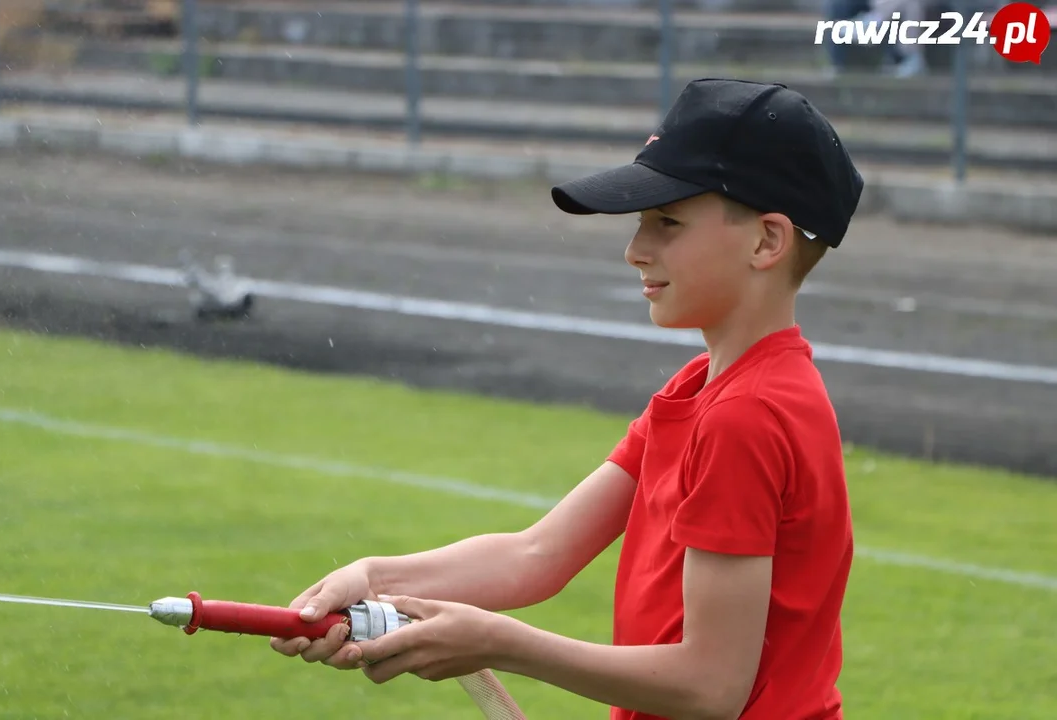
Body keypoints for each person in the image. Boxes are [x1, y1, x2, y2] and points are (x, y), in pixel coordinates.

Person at [270, 78, 863, 720]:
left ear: (767, 242)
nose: (636, 250)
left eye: (667, 222)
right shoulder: (702, 387)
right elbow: (538, 555)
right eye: (642, 222)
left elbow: (710, 686)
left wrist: (497, 642)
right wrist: (376, 580)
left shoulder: (745, 416)